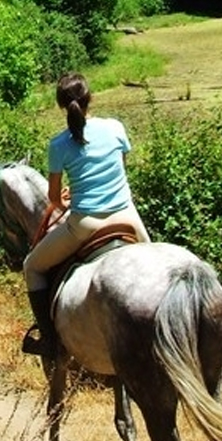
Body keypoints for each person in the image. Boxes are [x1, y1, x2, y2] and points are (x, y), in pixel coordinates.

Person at [21, 72, 151, 357]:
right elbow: (120, 169)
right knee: (154, 265)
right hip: (127, 216)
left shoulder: (58, 145)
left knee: (32, 267)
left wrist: (69, 200)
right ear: (90, 98)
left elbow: (54, 199)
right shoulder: (115, 127)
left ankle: (49, 341)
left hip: (85, 224)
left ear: (60, 105)